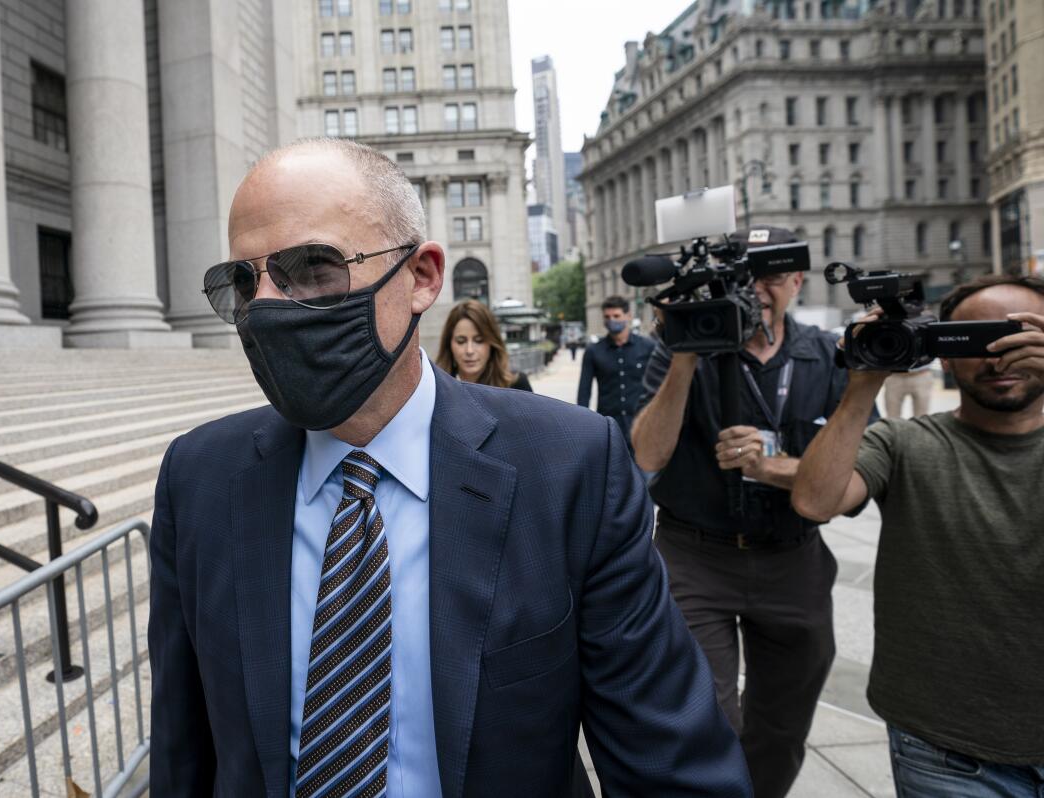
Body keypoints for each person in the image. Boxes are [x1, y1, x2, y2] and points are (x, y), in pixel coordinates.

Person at [149, 138, 751, 797]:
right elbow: (184, 752)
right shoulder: (199, 478)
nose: (265, 307)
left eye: (311, 267)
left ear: (422, 277)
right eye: (241, 281)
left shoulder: (570, 468)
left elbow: (670, 764)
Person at [630, 225, 873, 798]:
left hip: (793, 558)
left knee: (782, 724)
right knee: (703, 715)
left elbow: (861, 473)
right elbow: (646, 455)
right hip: (695, 556)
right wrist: (686, 356)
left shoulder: (827, 355)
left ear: (796, 280)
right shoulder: (679, 348)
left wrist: (780, 467)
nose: (756, 290)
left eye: (770, 275)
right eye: (743, 276)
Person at [792, 274, 1044, 798]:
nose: (998, 358)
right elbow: (815, 501)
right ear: (943, 354)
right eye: (977, 340)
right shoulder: (905, 441)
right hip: (944, 748)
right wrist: (862, 384)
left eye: (1018, 336)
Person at [576, 295, 656, 444]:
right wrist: (582, 426)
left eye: (616, 316)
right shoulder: (593, 351)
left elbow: (658, 385)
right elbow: (584, 392)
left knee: (645, 467)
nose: (612, 320)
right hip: (609, 427)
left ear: (628, 316)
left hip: (642, 424)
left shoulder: (648, 347)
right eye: (607, 316)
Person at [436, 299, 532, 391]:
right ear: (449, 344)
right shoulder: (435, 388)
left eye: (479, 341)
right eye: (461, 341)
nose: (470, 350)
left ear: (492, 343)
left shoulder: (517, 385)